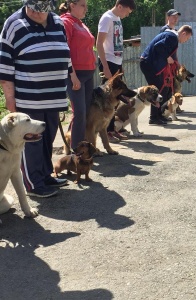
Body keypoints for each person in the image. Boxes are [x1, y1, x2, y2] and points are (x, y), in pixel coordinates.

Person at [0, 0, 72, 197]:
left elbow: (65, 55)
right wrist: (10, 99)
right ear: (27, 5)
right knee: (31, 141)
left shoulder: (57, 21)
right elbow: (5, 67)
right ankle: (32, 184)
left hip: (54, 96)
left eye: (45, 11)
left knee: (47, 138)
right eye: (36, 11)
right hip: (28, 97)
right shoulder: (13, 24)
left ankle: (45, 175)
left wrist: (71, 74)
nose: (41, 15)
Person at [96, 0, 136, 143]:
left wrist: (120, 66)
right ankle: (107, 132)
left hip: (117, 63)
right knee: (109, 98)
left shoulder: (117, 18)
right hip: (108, 62)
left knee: (117, 99)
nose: (127, 15)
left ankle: (112, 129)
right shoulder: (107, 18)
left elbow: (117, 42)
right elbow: (99, 43)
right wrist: (105, 67)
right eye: (127, 12)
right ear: (119, 6)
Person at [60, 0, 96, 150]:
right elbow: (64, 49)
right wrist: (72, 74)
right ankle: (77, 151)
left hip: (89, 73)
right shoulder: (65, 22)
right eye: (83, 5)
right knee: (79, 112)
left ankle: (74, 144)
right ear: (72, 5)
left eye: (86, 6)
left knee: (85, 112)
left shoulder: (81, 24)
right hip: (76, 74)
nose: (86, 9)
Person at [140, 25, 193, 125]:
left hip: (149, 63)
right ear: (184, 33)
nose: (186, 40)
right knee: (157, 90)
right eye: (187, 38)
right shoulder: (172, 37)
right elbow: (158, 46)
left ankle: (159, 115)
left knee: (163, 89)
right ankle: (153, 118)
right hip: (148, 63)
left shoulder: (171, 36)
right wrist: (167, 57)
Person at [160, 9, 184, 114]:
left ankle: (172, 109)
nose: (175, 19)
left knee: (172, 88)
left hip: (173, 64)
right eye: (173, 17)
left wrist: (176, 62)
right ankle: (162, 111)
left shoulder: (175, 30)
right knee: (166, 89)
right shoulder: (165, 30)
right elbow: (161, 47)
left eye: (177, 17)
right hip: (165, 65)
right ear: (168, 17)